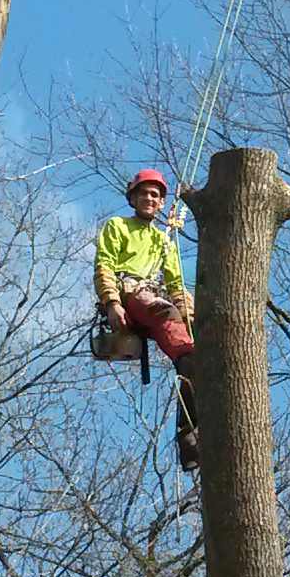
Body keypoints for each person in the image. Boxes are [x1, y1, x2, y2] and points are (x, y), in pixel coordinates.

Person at [94, 166, 200, 469]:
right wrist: (113, 303)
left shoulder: (164, 242)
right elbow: (104, 265)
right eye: (144, 193)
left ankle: (190, 440)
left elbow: (177, 284)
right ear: (133, 197)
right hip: (131, 294)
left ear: (162, 203)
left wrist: (190, 316)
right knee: (164, 311)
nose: (150, 199)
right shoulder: (118, 226)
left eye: (155, 195)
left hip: (154, 300)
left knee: (194, 359)